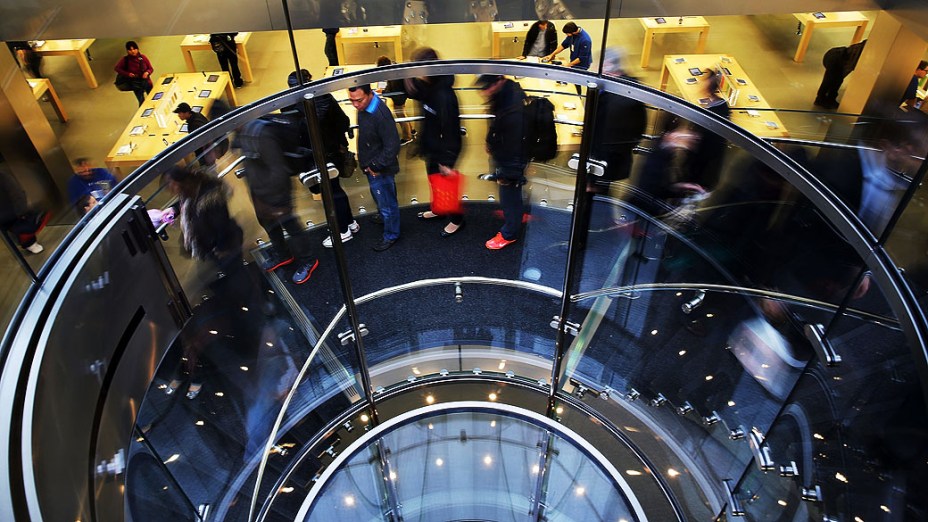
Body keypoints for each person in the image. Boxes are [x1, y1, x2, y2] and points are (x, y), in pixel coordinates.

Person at [239, 113, 320, 283]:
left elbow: (278, 170)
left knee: (291, 226)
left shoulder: (261, 135)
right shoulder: (243, 135)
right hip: (261, 194)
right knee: (270, 226)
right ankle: (283, 254)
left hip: (276, 194)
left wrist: (274, 199)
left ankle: (308, 260)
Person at [286, 69, 360, 248]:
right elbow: (343, 122)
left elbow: (294, 134)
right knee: (336, 189)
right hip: (334, 152)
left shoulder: (290, 105)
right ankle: (349, 223)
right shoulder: (325, 97)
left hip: (315, 157)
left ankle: (342, 230)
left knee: (329, 194)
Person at [405, 47, 464, 237]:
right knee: (434, 181)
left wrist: (447, 161)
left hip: (445, 150)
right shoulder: (428, 86)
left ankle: (457, 220)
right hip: (431, 146)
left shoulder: (444, 96)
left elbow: (451, 132)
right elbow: (415, 92)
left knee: (446, 186)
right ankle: (439, 210)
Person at [476, 74, 528, 250]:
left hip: (509, 160)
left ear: (499, 81)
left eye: (487, 87)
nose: (484, 92)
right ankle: (514, 215)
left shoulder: (512, 109)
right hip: (504, 155)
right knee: (510, 194)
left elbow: (513, 145)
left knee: (509, 194)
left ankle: (510, 233)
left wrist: (507, 173)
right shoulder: (507, 93)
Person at [348, 84, 401, 251]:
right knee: (381, 198)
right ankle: (385, 218)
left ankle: (391, 234)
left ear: (370, 94)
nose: (356, 105)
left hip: (379, 169)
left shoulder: (380, 114)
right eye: (352, 101)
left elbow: (392, 146)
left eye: (359, 100)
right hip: (371, 166)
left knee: (387, 203)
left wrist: (375, 166)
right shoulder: (365, 108)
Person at [589, 47, 647, 191]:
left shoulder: (619, 101)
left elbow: (605, 136)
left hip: (606, 159)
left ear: (608, 66)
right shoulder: (627, 88)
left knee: (599, 190)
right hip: (610, 157)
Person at [0, 170, 48, 254]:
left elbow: (16, 193)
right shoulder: (3, 176)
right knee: (16, 228)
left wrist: (21, 210)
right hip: (9, 213)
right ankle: (28, 243)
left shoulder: (2, 177)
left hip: (10, 213)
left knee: (18, 227)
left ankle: (29, 243)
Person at [542, 21, 592, 94]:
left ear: (573, 32)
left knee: (576, 83)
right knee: (572, 80)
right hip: (573, 61)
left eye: (567, 34)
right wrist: (551, 55)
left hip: (582, 65)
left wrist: (568, 65)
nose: (566, 35)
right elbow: (563, 45)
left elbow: (582, 58)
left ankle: (578, 98)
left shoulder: (585, 40)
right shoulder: (571, 35)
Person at [814, 40, 866, 110]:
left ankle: (829, 99)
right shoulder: (862, 50)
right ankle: (820, 99)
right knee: (829, 80)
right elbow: (851, 63)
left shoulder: (863, 47)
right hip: (835, 58)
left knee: (836, 81)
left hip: (837, 56)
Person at [376, 55, 414, 145]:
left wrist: (383, 91)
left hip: (399, 97)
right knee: (403, 113)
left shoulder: (394, 77)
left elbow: (394, 91)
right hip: (401, 95)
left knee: (401, 115)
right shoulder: (394, 67)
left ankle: (407, 137)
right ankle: (411, 130)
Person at [114, 40, 153, 105]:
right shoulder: (125, 60)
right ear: (127, 51)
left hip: (146, 82)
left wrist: (147, 72)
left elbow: (150, 68)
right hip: (135, 84)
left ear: (137, 49)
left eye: (134, 49)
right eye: (130, 50)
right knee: (141, 101)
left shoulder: (143, 58)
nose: (133, 51)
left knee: (153, 98)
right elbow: (117, 68)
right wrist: (128, 74)